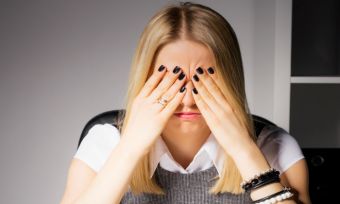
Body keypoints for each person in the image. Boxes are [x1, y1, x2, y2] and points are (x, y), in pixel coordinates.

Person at [60, 2, 311, 204]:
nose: (189, 100)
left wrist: (244, 151)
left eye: (204, 82)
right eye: (173, 81)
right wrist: (129, 149)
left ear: (230, 79)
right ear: (145, 78)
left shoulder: (275, 148)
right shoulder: (105, 143)